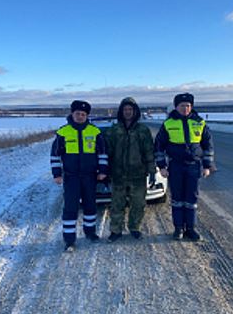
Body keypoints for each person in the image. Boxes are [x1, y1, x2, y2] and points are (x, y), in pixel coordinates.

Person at [154, 93, 215, 241]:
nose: (185, 108)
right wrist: (162, 166)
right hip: (175, 166)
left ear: (191, 106)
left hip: (194, 166)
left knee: (191, 199)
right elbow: (158, 147)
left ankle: (191, 228)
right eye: (182, 105)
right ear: (176, 107)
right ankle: (178, 228)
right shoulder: (168, 124)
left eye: (188, 105)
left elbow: (208, 146)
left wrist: (207, 166)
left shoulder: (199, 123)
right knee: (177, 199)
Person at [50, 100, 108, 251]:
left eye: (83, 114)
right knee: (70, 208)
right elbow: (55, 156)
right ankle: (69, 240)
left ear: (87, 115)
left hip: (90, 176)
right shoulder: (63, 132)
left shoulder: (95, 132)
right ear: (72, 114)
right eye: (77, 113)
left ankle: (90, 233)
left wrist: (102, 171)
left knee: (90, 206)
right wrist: (57, 174)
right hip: (71, 177)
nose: (80, 116)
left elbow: (102, 154)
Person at [104, 97, 156, 242]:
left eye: (130, 109)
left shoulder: (143, 130)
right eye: (125, 109)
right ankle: (116, 230)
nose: (128, 112)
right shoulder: (113, 130)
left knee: (138, 204)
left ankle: (135, 228)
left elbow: (149, 152)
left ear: (135, 111)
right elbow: (108, 152)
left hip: (138, 175)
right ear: (121, 111)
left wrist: (152, 171)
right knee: (117, 204)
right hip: (118, 175)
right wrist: (106, 171)